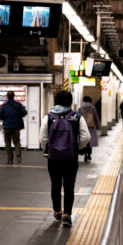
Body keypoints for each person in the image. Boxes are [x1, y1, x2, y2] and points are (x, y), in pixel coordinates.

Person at [40, 90, 90, 227]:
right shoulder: (77, 117)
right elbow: (86, 137)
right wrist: (76, 147)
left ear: (56, 101)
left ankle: (57, 211)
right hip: (70, 158)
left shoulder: (48, 117)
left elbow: (42, 138)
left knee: (55, 185)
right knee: (69, 186)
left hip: (54, 158)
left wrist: (49, 149)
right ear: (70, 101)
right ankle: (67, 215)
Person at [0, 90, 27, 164]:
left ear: (7, 97)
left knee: (7, 143)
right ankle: (18, 153)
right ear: (14, 96)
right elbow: (24, 113)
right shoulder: (18, 104)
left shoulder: (4, 106)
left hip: (7, 127)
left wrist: (6, 118)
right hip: (16, 127)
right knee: (17, 141)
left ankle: (10, 159)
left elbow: (0, 116)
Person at [78, 95, 101, 162]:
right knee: (90, 142)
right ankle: (88, 154)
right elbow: (96, 118)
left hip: (83, 128)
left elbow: (77, 118)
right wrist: (99, 126)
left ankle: (85, 153)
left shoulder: (80, 109)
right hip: (91, 128)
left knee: (84, 141)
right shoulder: (93, 109)